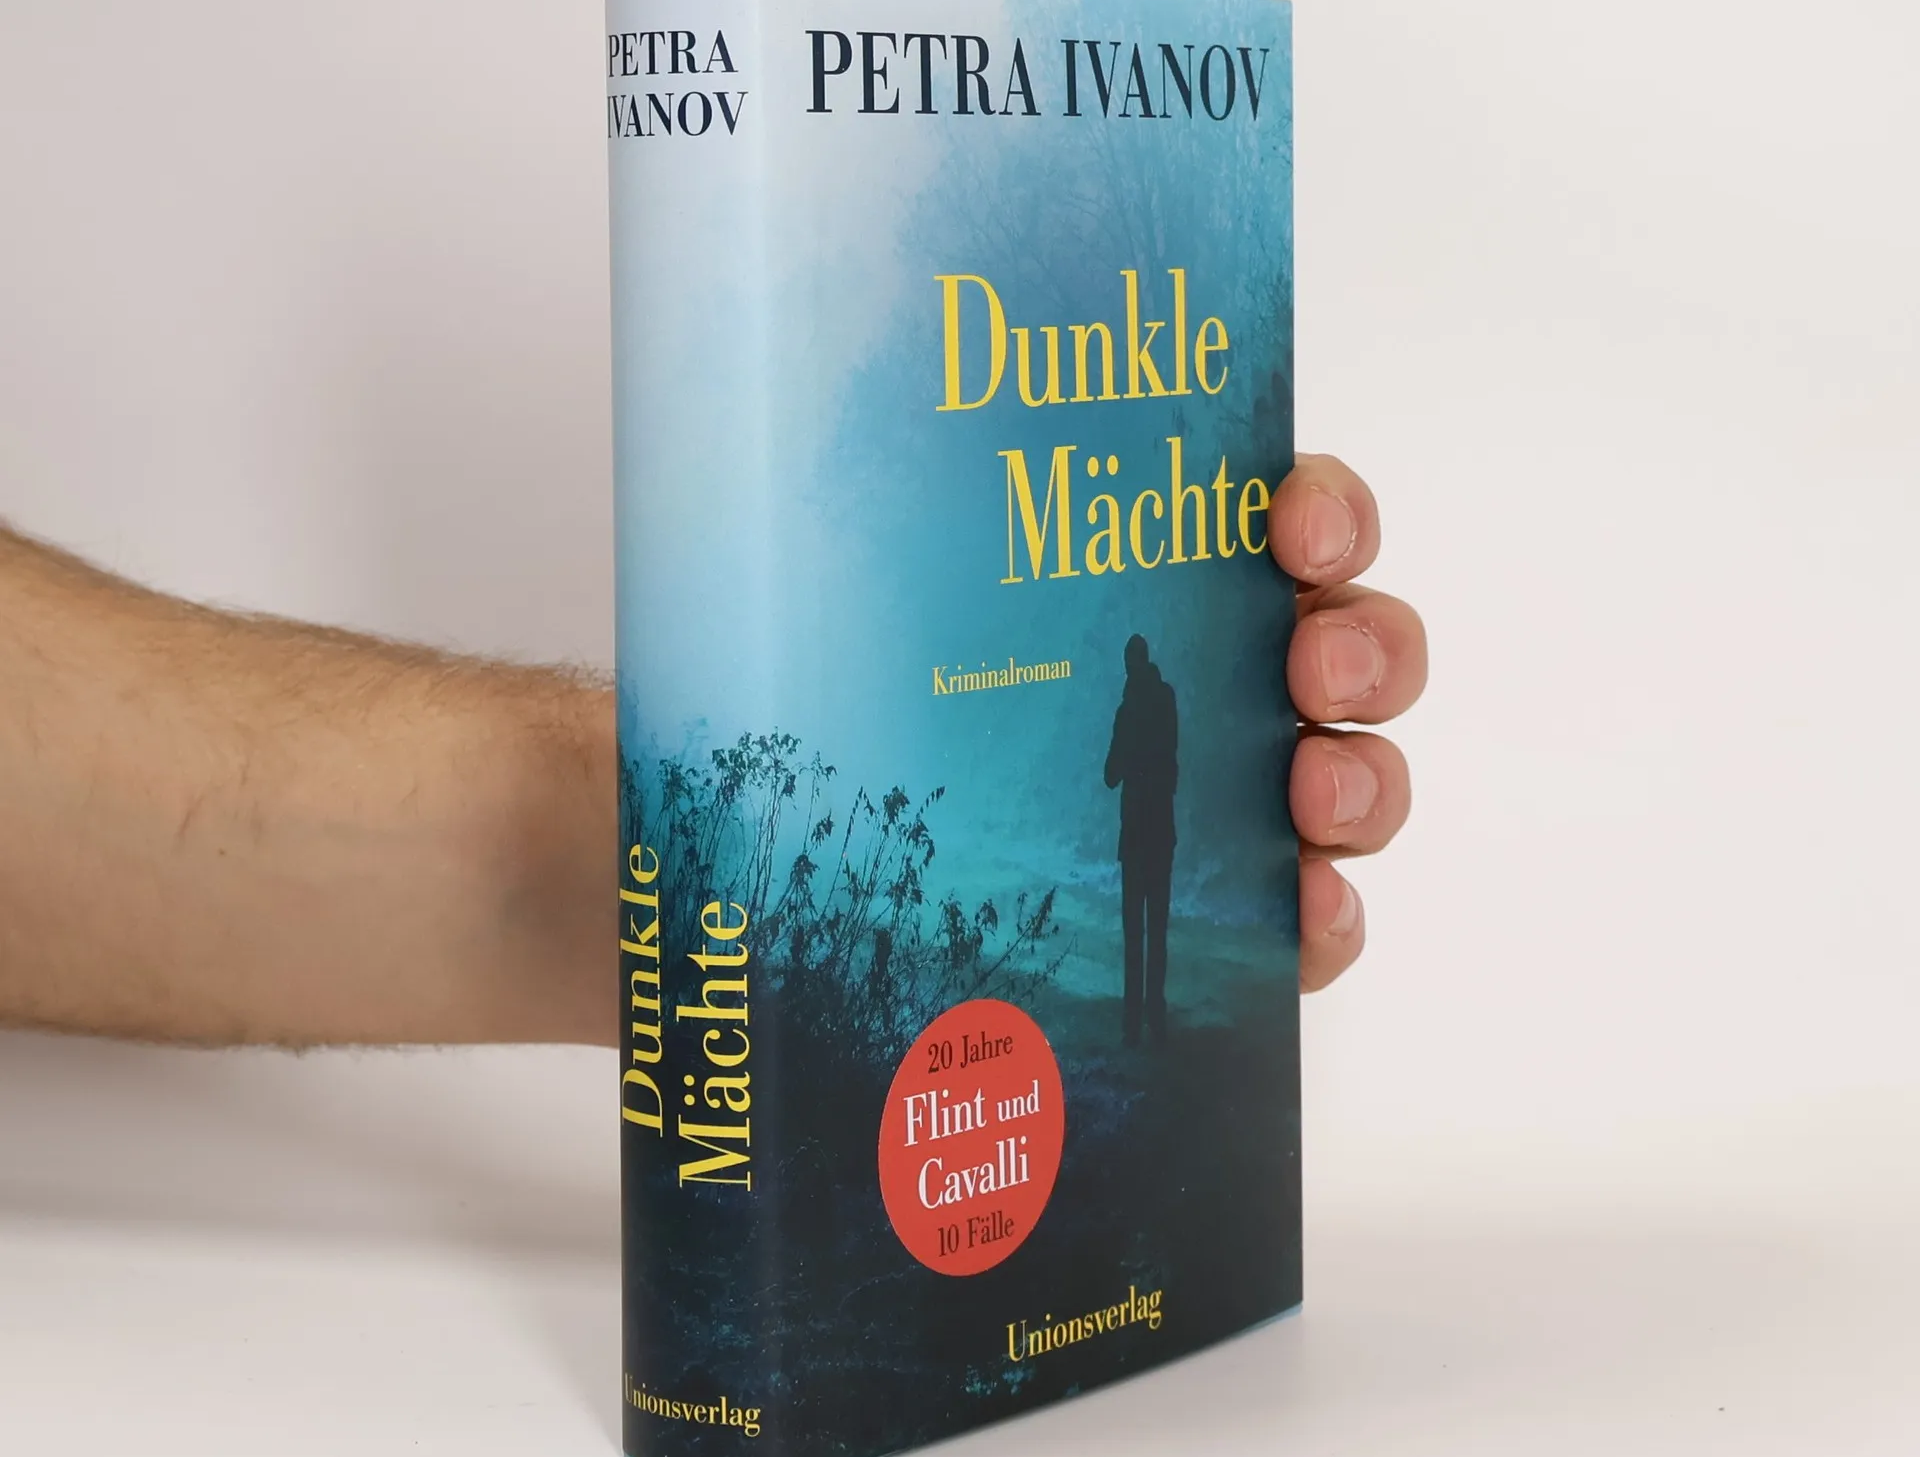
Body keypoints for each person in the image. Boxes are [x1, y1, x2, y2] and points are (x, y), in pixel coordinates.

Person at [0, 456, 1424, 1048]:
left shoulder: (1139, 702)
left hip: (1084, 840)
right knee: (1148, 924)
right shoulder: (1142, 706)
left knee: (1153, 920)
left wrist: (697, 852)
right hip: (1123, 830)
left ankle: (755, 894)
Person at [1105, 634, 1179, 1045]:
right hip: (1161, 833)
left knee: (1134, 933)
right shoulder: (1166, 700)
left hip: (1134, 835)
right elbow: (1170, 759)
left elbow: (1109, 775)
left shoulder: (1126, 711)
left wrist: (1127, 762)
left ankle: (1132, 1023)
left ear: (1127, 664)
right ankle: (1157, 1018)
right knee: (1158, 931)